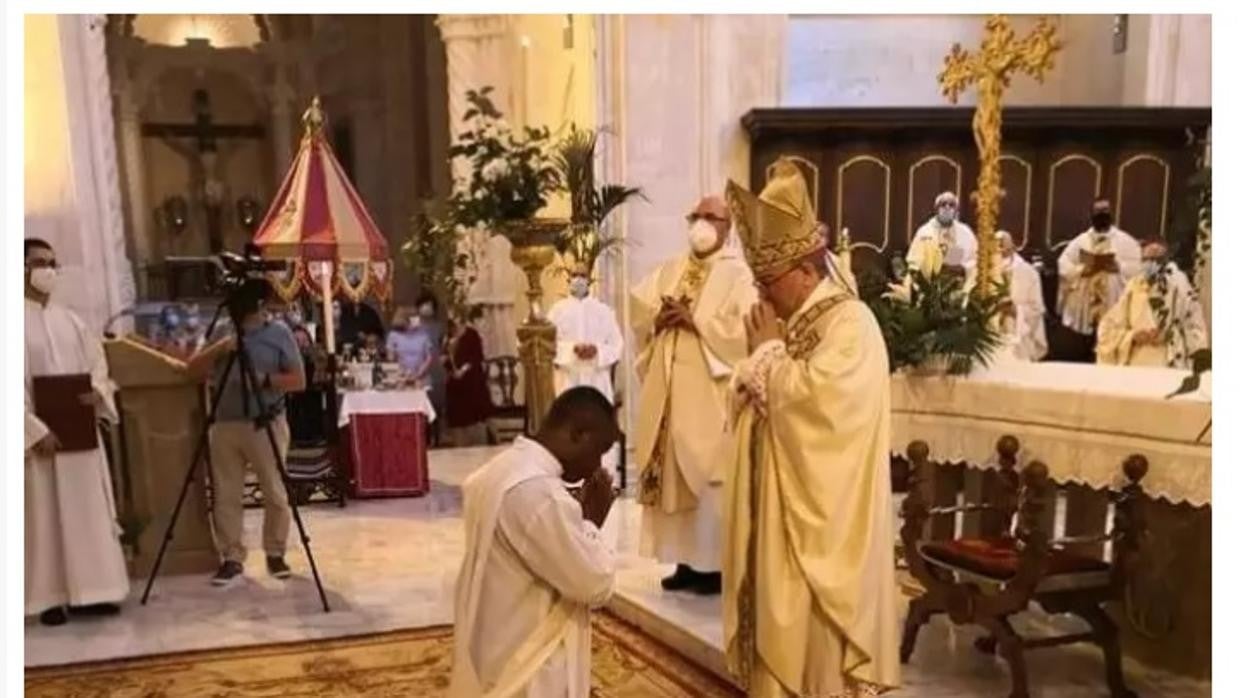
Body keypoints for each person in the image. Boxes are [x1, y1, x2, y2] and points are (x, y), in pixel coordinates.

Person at [723, 158, 900, 697]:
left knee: (810, 646)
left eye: (767, 281)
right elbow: (756, 385)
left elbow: (823, 409)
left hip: (820, 527)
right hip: (776, 515)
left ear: (804, 269)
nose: (762, 295)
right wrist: (755, 366)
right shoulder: (793, 320)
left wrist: (765, 356)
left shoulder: (851, 324)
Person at [449, 386, 620, 697]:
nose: (597, 465)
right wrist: (591, 522)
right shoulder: (540, 494)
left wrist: (575, 519)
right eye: (600, 449)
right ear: (578, 434)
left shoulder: (498, 470)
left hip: (494, 643)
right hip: (530, 663)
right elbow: (594, 584)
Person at [630, 195, 756, 595]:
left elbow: (748, 331)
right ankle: (685, 562)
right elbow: (640, 306)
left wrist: (695, 321)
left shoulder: (739, 275)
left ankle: (713, 567)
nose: (701, 223)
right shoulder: (673, 268)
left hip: (709, 395)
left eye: (711, 217)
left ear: (727, 227)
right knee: (672, 474)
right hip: (669, 390)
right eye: (696, 216)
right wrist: (657, 318)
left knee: (706, 478)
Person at [24, 238, 130, 626]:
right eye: (40, 262)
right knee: (45, 516)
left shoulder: (71, 320)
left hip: (80, 437)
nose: (49, 270)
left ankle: (95, 591)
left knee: (87, 511)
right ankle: (49, 598)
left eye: (53, 262)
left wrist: (96, 394)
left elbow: (97, 367)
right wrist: (33, 430)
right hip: (40, 443)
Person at [185, 279, 306, 587]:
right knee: (226, 495)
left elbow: (298, 380)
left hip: (264, 422)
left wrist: (264, 380)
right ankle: (231, 557)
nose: (268, 309)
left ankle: (275, 552)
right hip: (225, 424)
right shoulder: (222, 332)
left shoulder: (278, 333)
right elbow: (192, 370)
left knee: (275, 493)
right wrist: (221, 348)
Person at [1096, 238, 1208, 368]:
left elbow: (1195, 328)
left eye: (1157, 259)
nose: (1151, 263)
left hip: (1166, 360)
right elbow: (1108, 327)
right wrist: (1132, 336)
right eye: (1147, 259)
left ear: (1166, 260)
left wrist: (1168, 334)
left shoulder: (1180, 285)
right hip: (1136, 360)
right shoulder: (1134, 285)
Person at [1057, 199, 1142, 362]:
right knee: (1082, 347)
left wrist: (1118, 266)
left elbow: (1137, 268)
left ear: (1111, 214)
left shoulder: (1126, 242)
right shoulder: (1080, 241)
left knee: (1109, 335)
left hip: (1113, 300)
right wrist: (1081, 270)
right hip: (1085, 303)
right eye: (1098, 212)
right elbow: (1064, 264)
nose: (1102, 215)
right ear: (1091, 215)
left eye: (1105, 211)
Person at [549, 262, 624, 401]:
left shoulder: (604, 311)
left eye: (583, 275)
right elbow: (548, 345)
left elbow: (617, 345)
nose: (578, 279)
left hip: (597, 378)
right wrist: (572, 350)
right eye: (574, 275)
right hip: (568, 378)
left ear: (589, 279)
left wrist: (596, 351)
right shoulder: (557, 311)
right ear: (568, 279)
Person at [907, 190, 978, 288]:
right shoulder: (924, 232)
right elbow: (914, 263)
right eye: (943, 204)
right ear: (936, 209)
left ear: (957, 210)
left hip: (958, 286)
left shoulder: (965, 233)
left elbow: (975, 260)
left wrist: (963, 268)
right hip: (931, 288)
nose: (947, 207)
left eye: (951, 204)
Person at [997, 231, 1049, 362]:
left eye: (1004, 245)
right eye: (997, 246)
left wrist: (1016, 311)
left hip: (1020, 337)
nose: (1001, 249)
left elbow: (1037, 309)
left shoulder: (1028, 273)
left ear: (1013, 247)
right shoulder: (982, 271)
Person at [444, 317, 495, 446]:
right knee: (458, 419)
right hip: (456, 386)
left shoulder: (471, 334)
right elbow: (446, 358)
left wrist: (464, 369)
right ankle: (460, 445)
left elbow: (476, 356)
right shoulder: (448, 336)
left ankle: (480, 443)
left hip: (472, 381)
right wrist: (447, 363)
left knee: (476, 418)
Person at [385, 306, 436, 383]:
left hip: (421, 378)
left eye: (417, 319)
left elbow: (429, 357)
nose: (417, 322)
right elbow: (390, 358)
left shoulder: (423, 334)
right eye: (414, 320)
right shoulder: (394, 335)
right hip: (401, 377)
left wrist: (419, 373)